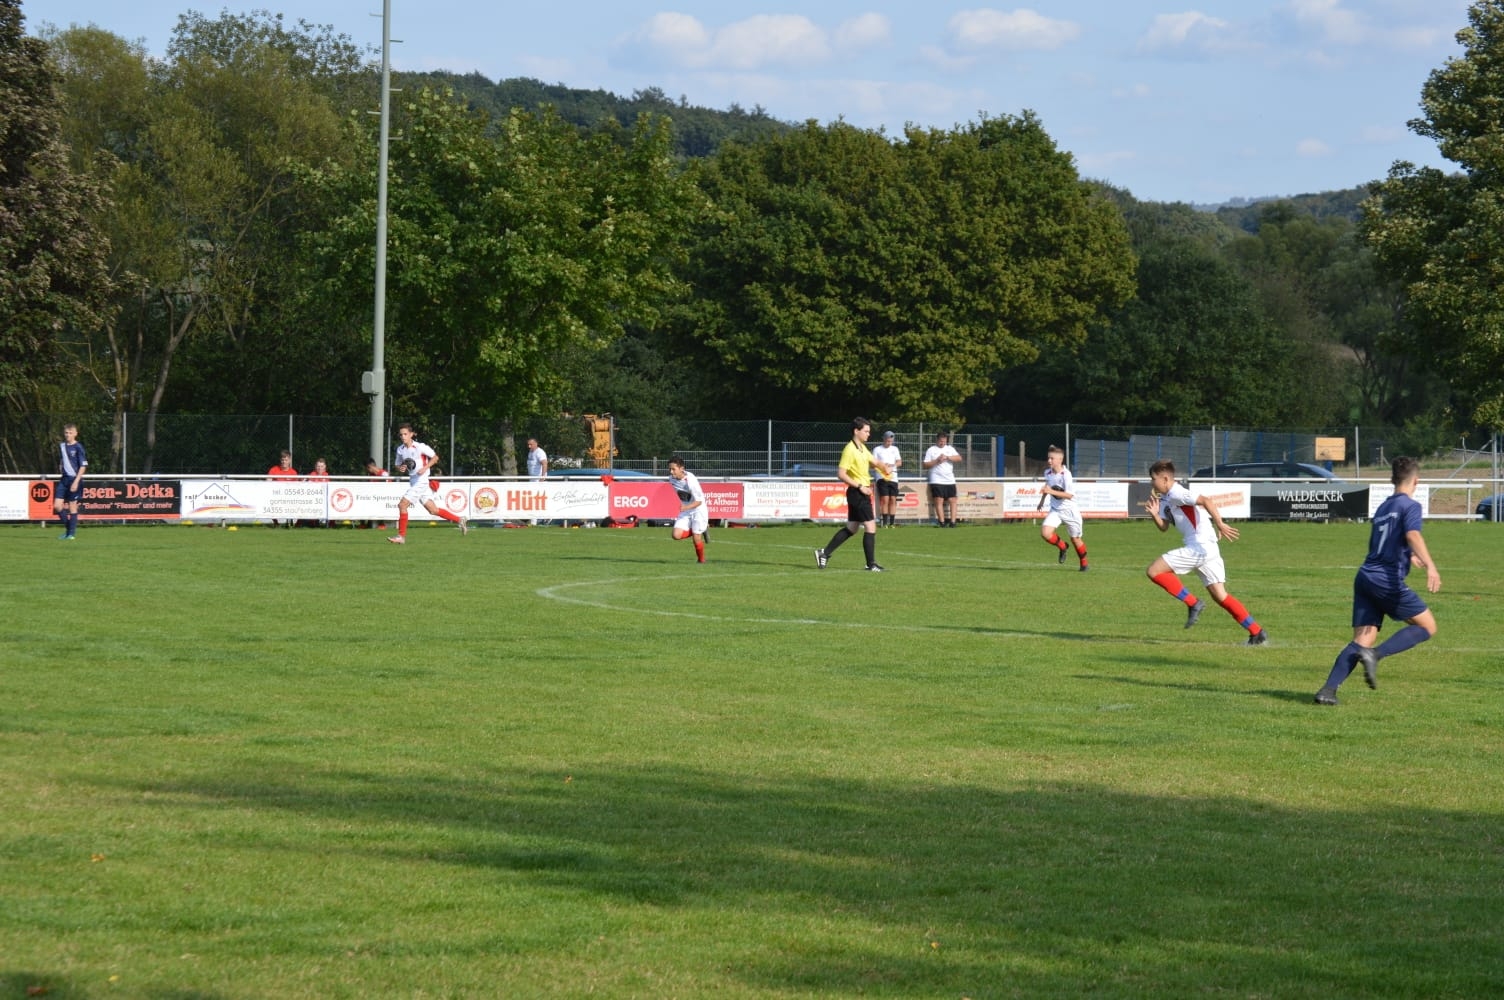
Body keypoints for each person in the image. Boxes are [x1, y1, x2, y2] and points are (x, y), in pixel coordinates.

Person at [1314, 456, 1441, 706]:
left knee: (1362, 639)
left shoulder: (1383, 507)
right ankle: (1375, 655)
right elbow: (1413, 534)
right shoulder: (1410, 506)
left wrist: (1408, 555)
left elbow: (1382, 542)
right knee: (1427, 626)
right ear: (1416, 481)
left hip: (1365, 576)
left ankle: (1327, 691)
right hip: (1385, 579)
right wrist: (1431, 566)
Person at [1143, 459, 1267, 645]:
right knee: (1220, 596)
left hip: (1199, 546)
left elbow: (1205, 500)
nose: (1152, 483)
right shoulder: (1166, 499)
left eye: (1153, 479)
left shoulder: (1177, 492)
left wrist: (1220, 523)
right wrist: (1154, 514)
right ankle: (1256, 632)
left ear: (1165, 479)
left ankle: (1193, 603)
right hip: (1208, 548)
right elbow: (1164, 527)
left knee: (1154, 570)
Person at [814, 417, 892, 572]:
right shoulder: (849, 450)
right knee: (870, 526)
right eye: (866, 431)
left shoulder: (862, 448)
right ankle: (871, 564)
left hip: (859, 492)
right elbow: (841, 474)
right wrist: (860, 486)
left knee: (852, 528)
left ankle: (824, 553)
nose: (869, 434)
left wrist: (885, 467)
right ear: (856, 431)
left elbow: (875, 462)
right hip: (857, 492)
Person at [388, 423, 467, 544]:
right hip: (413, 481)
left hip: (422, 480)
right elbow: (397, 464)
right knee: (433, 510)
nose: (403, 437)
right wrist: (400, 468)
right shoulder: (400, 449)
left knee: (402, 505)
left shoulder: (420, 447)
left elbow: (435, 458)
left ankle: (401, 537)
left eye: (405, 434)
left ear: (411, 434)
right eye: (401, 435)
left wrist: (425, 468)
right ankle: (460, 520)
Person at [1038, 444, 1088, 571]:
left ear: (1060, 460)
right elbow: (1047, 487)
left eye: (1052, 458)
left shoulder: (1066, 474)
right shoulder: (1047, 473)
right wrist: (1042, 501)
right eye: (1048, 458)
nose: (1049, 461)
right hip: (1055, 510)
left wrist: (1050, 491)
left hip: (1070, 511)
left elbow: (1069, 495)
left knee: (1075, 539)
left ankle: (1084, 564)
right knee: (1045, 533)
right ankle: (1063, 546)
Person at [667, 456, 709, 563]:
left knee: (696, 538)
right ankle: (701, 529)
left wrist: (685, 507)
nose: (671, 472)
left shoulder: (691, 481)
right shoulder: (671, 478)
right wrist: (686, 507)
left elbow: (699, 501)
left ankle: (701, 560)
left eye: (673, 469)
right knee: (676, 535)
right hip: (686, 509)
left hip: (698, 509)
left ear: (682, 469)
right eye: (670, 469)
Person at [54, 422, 87, 540]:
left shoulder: (78, 447)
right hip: (64, 479)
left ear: (75, 433)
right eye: (66, 433)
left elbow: (83, 466)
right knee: (57, 506)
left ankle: (71, 534)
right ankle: (69, 530)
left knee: (72, 506)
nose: (68, 435)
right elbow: (63, 460)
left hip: (74, 479)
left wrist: (76, 481)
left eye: (70, 433)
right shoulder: (62, 446)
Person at [923, 431, 960, 527]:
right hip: (936, 479)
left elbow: (959, 458)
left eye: (944, 441)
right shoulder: (931, 450)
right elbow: (925, 465)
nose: (942, 443)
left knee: (953, 500)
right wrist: (937, 461)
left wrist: (948, 457)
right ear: (937, 440)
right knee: (939, 500)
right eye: (941, 441)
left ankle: (953, 522)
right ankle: (942, 522)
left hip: (949, 479)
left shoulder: (950, 449)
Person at [872, 430, 903, 527]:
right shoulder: (877, 449)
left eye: (891, 441)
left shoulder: (895, 449)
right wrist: (883, 466)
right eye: (888, 441)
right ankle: (884, 522)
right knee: (885, 499)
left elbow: (899, 462)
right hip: (881, 477)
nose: (889, 443)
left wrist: (892, 466)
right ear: (884, 439)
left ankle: (892, 523)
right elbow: (873, 464)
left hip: (893, 477)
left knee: (893, 499)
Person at [267, 450, 298, 527]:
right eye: (282, 460)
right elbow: (267, 481)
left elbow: (296, 486)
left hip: (289, 497)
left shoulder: (293, 472)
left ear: (289, 460)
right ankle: (276, 523)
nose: (284, 462)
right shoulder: (274, 469)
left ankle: (290, 520)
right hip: (275, 496)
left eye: (286, 460)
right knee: (268, 502)